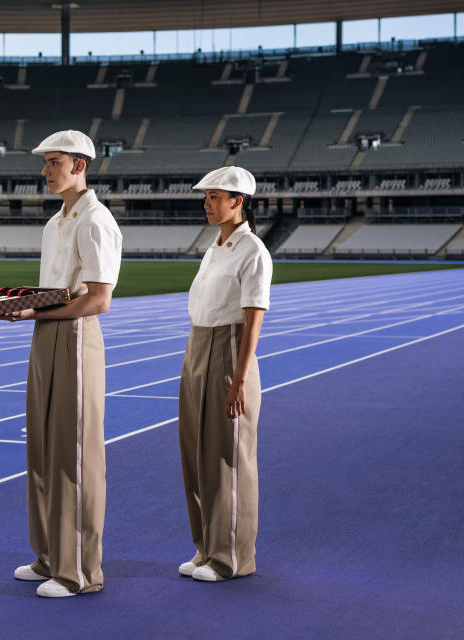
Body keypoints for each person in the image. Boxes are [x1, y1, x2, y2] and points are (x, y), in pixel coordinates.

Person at [0, 130, 122, 598]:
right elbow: (57, 289)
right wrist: (20, 301)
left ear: (80, 166)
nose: (46, 171)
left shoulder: (96, 221)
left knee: (75, 455)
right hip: (45, 334)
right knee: (43, 450)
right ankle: (49, 556)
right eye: (46, 163)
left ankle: (80, 572)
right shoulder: (55, 223)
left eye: (54, 162)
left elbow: (99, 300)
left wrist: (37, 310)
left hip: (75, 336)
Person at [177, 165, 272, 582]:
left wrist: (238, 380)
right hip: (197, 345)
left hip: (229, 349)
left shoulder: (253, 252)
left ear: (238, 201)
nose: (207, 203)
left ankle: (232, 557)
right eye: (206, 197)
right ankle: (206, 547)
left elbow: (253, 321)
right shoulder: (215, 247)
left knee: (227, 458)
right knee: (197, 455)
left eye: (215, 197)